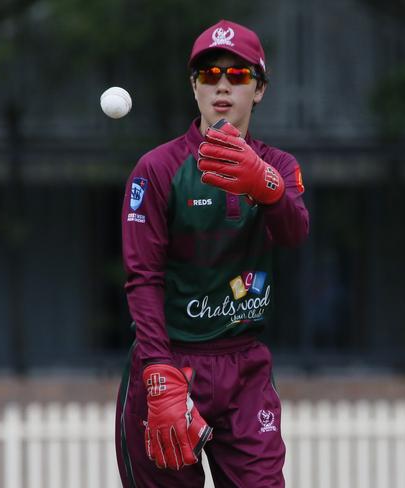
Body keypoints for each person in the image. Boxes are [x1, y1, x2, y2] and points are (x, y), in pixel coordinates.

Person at [115, 19, 309, 487]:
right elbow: (143, 278)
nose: (222, 85)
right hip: (171, 364)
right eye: (209, 74)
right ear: (194, 86)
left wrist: (266, 186)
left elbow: (295, 235)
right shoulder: (157, 169)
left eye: (238, 76)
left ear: (259, 89)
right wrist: (159, 370)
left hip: (245, 366)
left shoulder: (280, 166)